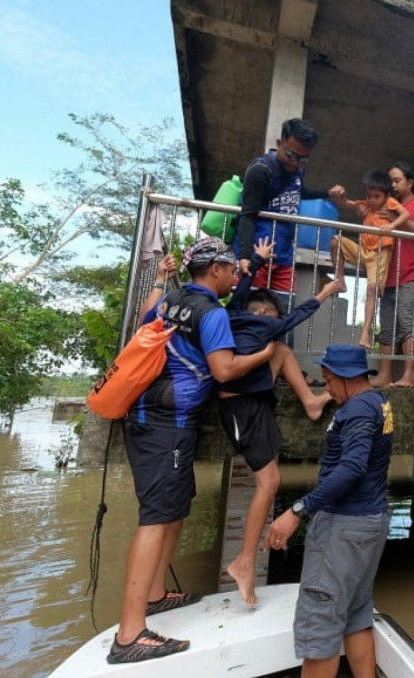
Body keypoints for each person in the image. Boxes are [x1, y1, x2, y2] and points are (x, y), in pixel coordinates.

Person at [109, 238, 278, 665]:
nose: (235, 277)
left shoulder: (173, 300)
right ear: (216, 269)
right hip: (164, 423)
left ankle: (155, 596)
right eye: (231, 269)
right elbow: (224, 369)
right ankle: (129, 635)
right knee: (156, 517)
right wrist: (265, 353)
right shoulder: (212, 312)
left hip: (159, 417)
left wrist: (160, 280)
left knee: (175, 509)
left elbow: (145, 320)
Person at [218, 237, 347, 607]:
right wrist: (324, 293)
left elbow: (244, 292)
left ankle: (311, 402)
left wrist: (258, 261)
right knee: (270, 482)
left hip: (257, 404)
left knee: (282, 349)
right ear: (262, 313)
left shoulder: (238, 317)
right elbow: (295, 313)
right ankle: (244, 562)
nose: (276, 322)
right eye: (273, 318)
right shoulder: (257, 324)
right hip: (242, 408)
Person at [264, 345, 393, 678]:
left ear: (346, 377)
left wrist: (299, 510)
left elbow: (352, 467)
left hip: (344, 527)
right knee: (356, 615)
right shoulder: (377, 401)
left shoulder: (358, 410)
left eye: (328, 380)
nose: (327, 388)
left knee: (320, 625)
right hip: (371, 521)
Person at [235, 117, 345, 294]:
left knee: (283, 308)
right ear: (279, 143)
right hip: (257, 254)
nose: (295, 162)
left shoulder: (297, 171)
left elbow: (298, 192)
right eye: (291, 155)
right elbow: (247, 215)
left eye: (303, 159)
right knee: (251, 306)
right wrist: (244, 256)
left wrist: (327, 193)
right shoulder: (260, 170)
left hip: (284, 257)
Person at [330, 170, 412, 349]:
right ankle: (340, 280)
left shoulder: (390, 203)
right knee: (336, 241)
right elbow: (346, 204)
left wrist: (392, 225)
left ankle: (365, 333)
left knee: (372, 289)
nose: (372, 200)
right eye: (369, 196)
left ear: (386, 195)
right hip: (364, 250)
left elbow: (405, 214)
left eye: (377, 196)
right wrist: (339, 196)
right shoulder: (366, 205)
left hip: (380, 254)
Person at [374, 162, 414, 388]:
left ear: (410, 183)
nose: (392, 185)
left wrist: (401, 220)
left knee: (409, 324)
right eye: (389, 181)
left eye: (397, 180)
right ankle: (384, 376)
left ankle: (409, 376)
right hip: (389, 275)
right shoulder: (388, 206)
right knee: (387, 327)